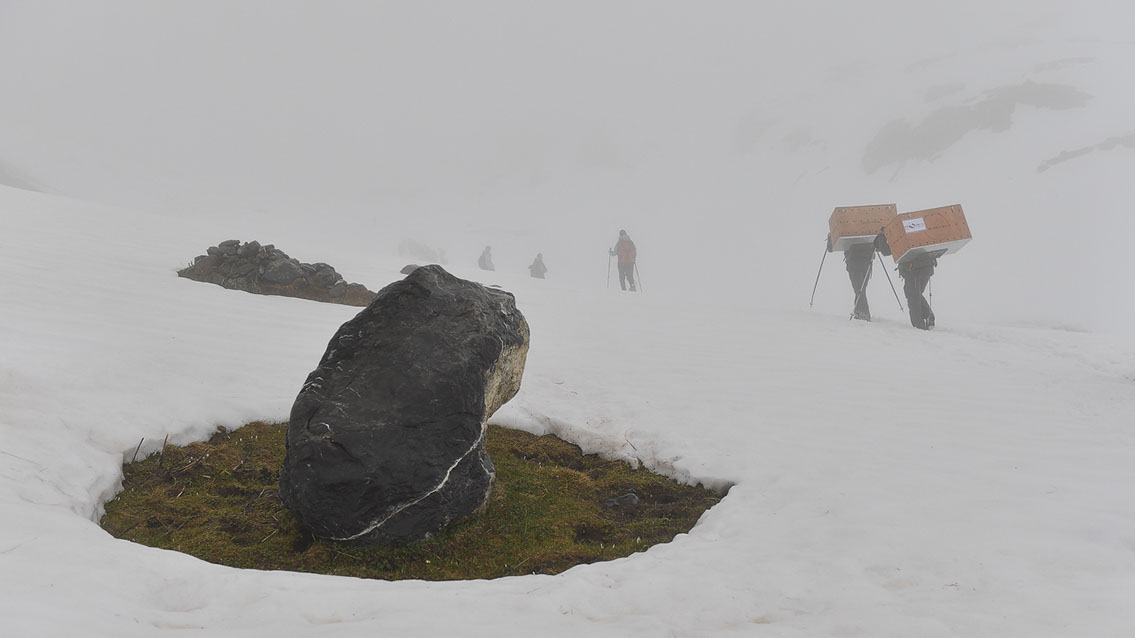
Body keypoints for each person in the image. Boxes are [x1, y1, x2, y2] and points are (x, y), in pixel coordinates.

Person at [874, 232, 938, 330]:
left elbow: (886, 251)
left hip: (913, 269)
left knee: (913, 297)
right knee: (916, 294)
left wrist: (881, 237)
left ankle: (919, 326)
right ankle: (928, 315)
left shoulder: (899, 233)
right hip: (927, 267)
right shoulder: (918, 230)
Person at [828, 234, 875, 321]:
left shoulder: (848, 226)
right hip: (862, 261)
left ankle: (861, 314)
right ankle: (862, 314)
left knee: (860, 289)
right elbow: (830, 248)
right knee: (860, 289)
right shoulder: (866, 226)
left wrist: (830, 238)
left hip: (859, 261)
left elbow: (830, 248)